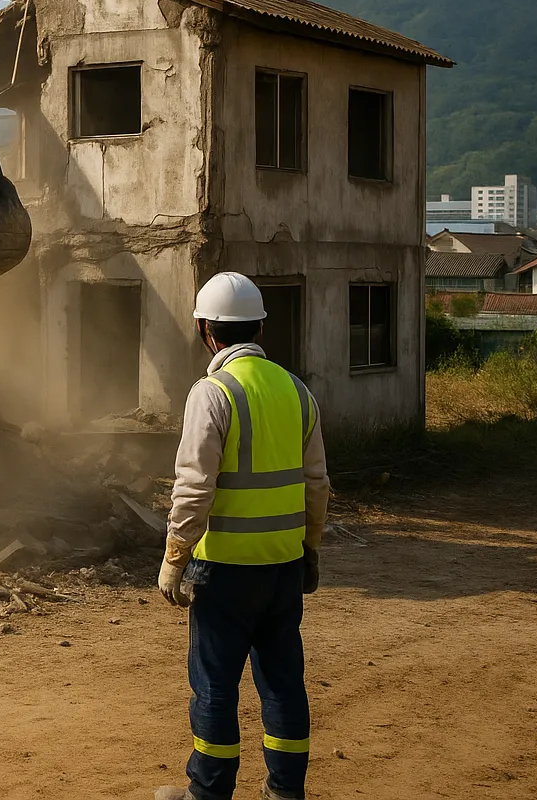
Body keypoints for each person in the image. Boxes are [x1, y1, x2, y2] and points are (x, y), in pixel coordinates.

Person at [155, 272, 330, 800]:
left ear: (205, 330)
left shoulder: (212, 394)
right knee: (283, 684)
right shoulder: (296, 391)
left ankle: (208, 793)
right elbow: (317, 484)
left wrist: (174, 557)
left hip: (225, 572)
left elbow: (194, 488)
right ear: (260, 327)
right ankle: (285, 792)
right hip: (283, 568)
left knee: (214, 687)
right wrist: (310, 551)